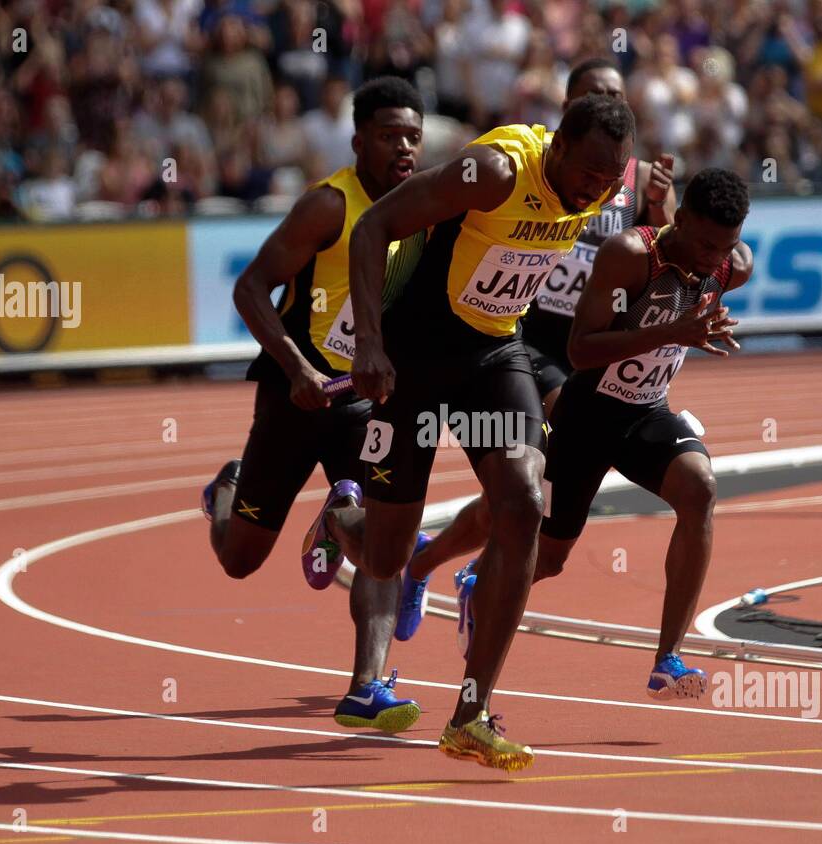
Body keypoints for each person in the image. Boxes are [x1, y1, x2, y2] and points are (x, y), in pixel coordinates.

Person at [305, 94, 637, 771]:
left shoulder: (594, 182)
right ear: (559, 147)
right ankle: (342, 517)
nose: (596, 191)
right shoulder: (495, 171)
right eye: (589, 175)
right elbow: (373, 227)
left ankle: (471, 713)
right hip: (418, 357)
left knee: (524, 500)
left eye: (611, 182)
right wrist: (368, 341)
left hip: (492, 353)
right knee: (386, 553)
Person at [394, 58, 677, 640]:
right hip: (535, 340)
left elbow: (664, 265)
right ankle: (470, 573)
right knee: (533, 483)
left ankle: (432, 563)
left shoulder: (635, 181)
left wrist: (664, 210)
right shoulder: (533, 166)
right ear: (569, 115)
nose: (607, 100)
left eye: (616, 96)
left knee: (522, 494)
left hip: (589, 349)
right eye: (594, 94)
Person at [461, 168, 753, 699]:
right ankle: (482, 578)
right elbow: (580, 350)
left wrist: (711, 294)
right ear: (680, 222)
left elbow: (736, 263)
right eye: (708, 244)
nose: (716, 259)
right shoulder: (628, 255)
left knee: (700, 488)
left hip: (646, 415)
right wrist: (674, 332)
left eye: (727, 247)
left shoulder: (731, 266)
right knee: (547, 559)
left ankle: (669, 657)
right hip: (586, 420)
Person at [200, 77, 428, 732]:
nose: (404, 148)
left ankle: (366, 687)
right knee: (240, 559)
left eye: (412, 135)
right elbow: (250, 288)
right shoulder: (329, 206)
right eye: (389, 136)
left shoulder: (429, 211)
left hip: (362, 402)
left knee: (384, 535)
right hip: (296, 397)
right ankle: (224, 492)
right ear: (358, 141)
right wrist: (296, 368)